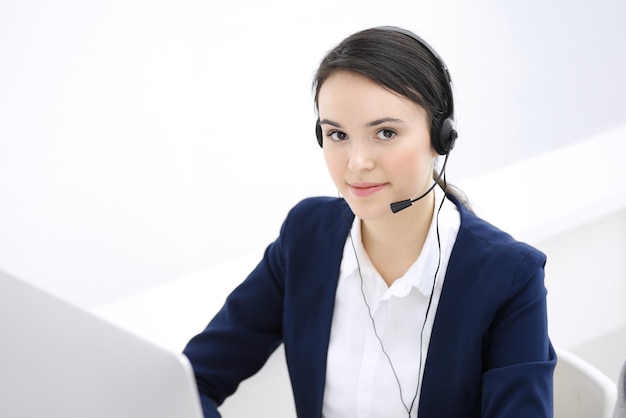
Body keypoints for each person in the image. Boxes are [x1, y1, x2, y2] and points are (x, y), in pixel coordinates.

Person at [183, 26, 556, 417]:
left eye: (385, 132)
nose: (357, 163)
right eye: (338, 134)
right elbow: (192, 380)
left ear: (440, 138)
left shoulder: (509, 275)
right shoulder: (307, 236)